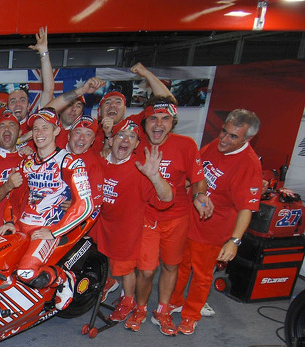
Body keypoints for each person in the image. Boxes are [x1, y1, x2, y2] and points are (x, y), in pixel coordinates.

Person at [170, 109, 263, 334]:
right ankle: (174, 301)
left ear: (247, 139)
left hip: (212, 231)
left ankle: (191, 314)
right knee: (179, 266)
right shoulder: (216, 144)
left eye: (233, 136)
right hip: (188, 220)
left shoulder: (249, 165)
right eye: (224, 131)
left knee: (201, 275)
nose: (224, 139)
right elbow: (196, 171)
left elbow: (246, 209)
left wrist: (234, 241)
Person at [125, 100, 210, 335]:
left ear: (172, 123)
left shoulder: (186, 145)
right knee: (146, 270)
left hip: (177, 217)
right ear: (145, 123)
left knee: (171, 266)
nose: (158, 124)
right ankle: (140, 308)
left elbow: (197, 178)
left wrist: (200, 194)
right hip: (146, 216)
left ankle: (162, 310)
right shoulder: (134, 142)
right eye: (153, 118)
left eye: (165, 119)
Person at [0, 108, 93, 309]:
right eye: (35, 129)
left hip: (47, 228)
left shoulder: (71, 162)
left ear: (56, 130)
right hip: (23, 225)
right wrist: (9, 221)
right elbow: (14, 198)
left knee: (26, 272)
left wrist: (54, 231)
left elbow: (86, 204)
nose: (39, 133)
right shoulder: (27, 163)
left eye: (45, 128)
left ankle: (64, 278)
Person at [91, 121, 174, 323]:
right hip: (101, 225)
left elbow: (166, 199)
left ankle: (129, 301)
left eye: (132, 137)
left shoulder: (141, 169)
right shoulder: (98, 162)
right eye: (120, 135)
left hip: (127, 230)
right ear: (110, 140)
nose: (125, 140)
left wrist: (155, 177)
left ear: (137, 144)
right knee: (100, 262)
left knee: (127, 269)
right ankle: (107, 287)